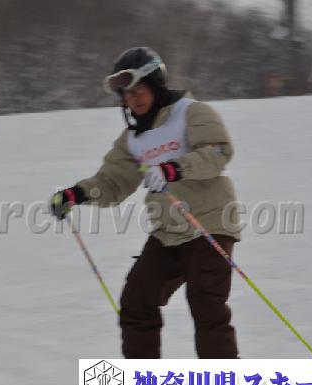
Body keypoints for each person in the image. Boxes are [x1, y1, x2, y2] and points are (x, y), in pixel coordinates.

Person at [49, 47, 241, 359]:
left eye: (139, 90)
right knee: (137, 301)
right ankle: (145, 380)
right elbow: (113, 182)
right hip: (168, 233)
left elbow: (217, 152)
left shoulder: (191, 112)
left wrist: (173, 169)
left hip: (209, 224)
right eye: (127, 94)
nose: (133, 99)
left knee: (206, 301)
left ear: (156, 85)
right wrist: (77, 194)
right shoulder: (133, 139)